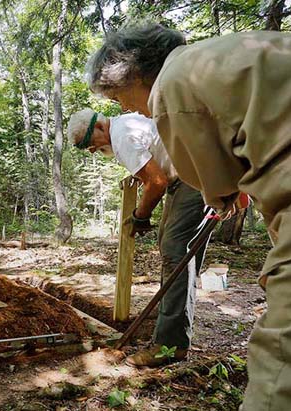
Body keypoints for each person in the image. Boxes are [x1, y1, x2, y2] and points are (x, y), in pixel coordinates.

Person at [86, 24, 291, 411]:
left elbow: (214, 187)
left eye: (119, 95)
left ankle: (169, 343)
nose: (124, 107)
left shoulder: (172, 88)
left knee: (285, 359)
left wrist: (145, 215)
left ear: (134, 74)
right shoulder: (227, 54)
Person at [67, 108, 212, 367]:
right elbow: (153, 168)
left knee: (175, 250)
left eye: (90, 144)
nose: (92, 151)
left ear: (100, 127)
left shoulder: (122, 136)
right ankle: (171, 314)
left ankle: (171, 344)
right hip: (187, 176)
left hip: (194, 177)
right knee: (171, 249)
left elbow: (157, 181)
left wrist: (140, 215)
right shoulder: (126, 125)